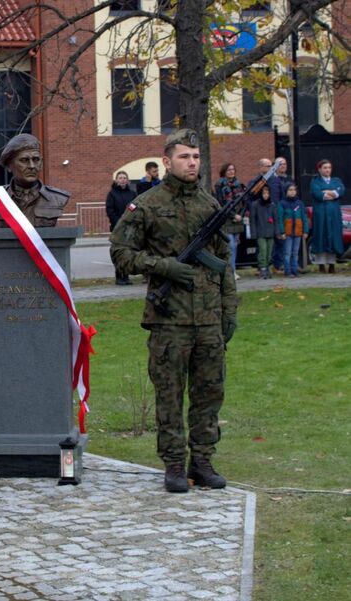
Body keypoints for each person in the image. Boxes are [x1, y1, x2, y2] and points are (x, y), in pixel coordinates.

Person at [110, 129, 237, 494]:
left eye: (196, 156)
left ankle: (202, 461)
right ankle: (174, 465)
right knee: (169, 394)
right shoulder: (147, 204)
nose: (192, 162)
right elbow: (120, 252)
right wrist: (163, 267)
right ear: (167, 161)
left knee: (209, 393)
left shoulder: (209, 205)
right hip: (169, 321)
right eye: (184, 156)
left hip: (209, 318)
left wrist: (229, 309)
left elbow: (223, 263)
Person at [0, 133, 70, 227]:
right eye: (24, 160)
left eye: (36, 159)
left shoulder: (58, 198)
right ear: (9, 166)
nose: (32, 166)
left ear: (41, 163)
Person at [309, 159, 346, 273]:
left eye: (329, 168)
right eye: (325, 168)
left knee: (333, 237)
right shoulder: (315, 182)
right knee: (321, 236)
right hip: (321, 215)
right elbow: (317, 193)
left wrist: (328, 192)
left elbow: (340, 190)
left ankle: (331, 264)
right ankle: (321, 264)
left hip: (333, 214)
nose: (327, 170)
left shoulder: (336, 181)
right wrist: (332, 193)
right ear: (319, 169)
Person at [213, 163, 246, 279]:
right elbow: (220, 203)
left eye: (233, 169)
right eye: (229, 170)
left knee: (235, 245)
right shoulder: (219, 185)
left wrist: (240, 215)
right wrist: (233, 215)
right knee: (230, 245)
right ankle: (229, 271)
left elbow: (244, 201)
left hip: (238, 219)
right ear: (224, 171)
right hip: (226, 219)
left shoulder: (239, 184)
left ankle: (233, 269)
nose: (231, 172)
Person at [105, 170, 137, 285]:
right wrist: (119, 222)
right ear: (116, 180)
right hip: (117, 228)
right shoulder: (112, 194)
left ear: (127, 180)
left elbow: (135, 207)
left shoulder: (132, 194)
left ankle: (126, 276)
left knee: (128, 252)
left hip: (130, 228)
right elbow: (110, 210)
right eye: (120, 178)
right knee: (118, 252)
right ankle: (119, 277)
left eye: (124, 178)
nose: (122, 180)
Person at [277, 183, 308, 278]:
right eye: (290, 190)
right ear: (286, 191)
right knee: (287, 252)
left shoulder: (299, 203)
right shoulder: (282, 203)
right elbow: (280, 218)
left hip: (298, 231)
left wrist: (305, 231)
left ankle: (295, 270)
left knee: (295, 253)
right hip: (288, 232)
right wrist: (282, 232)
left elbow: (304, 217)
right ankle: (288, 271)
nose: (292, 192)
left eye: (294, 190)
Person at [249, 184, 278, 279]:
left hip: (270, 232)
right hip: (260, 232)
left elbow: (276, 219)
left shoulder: (272, 205)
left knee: (269, 252)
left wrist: (277, 232)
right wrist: (253, 233)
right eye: (264, 193)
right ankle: (262, 269)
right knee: (263, 251)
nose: (266, 195)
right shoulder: (255, 205)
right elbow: (252, 220)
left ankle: (267, 268)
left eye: (267, 193)